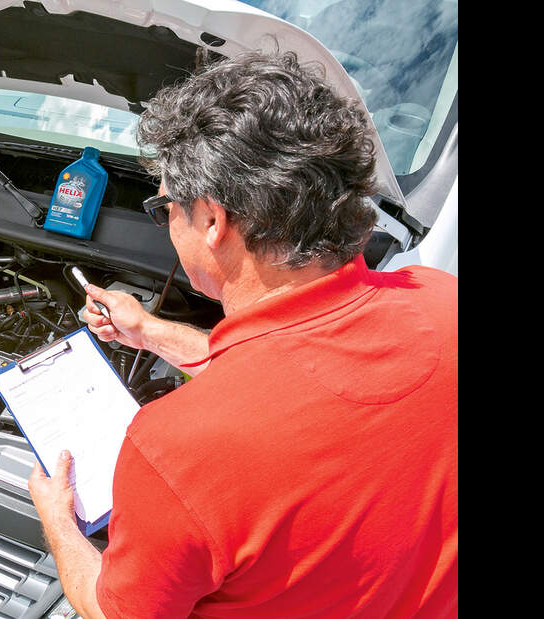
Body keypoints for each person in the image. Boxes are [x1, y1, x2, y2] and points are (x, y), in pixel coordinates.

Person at [28, 50, 457, 618]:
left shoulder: (174, 450)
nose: (165, 223)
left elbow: (115, 612)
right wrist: (149, 331)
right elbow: (295, 379)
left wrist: (58, 520)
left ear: (211, 220)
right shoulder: (439, 299)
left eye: (163, 208)